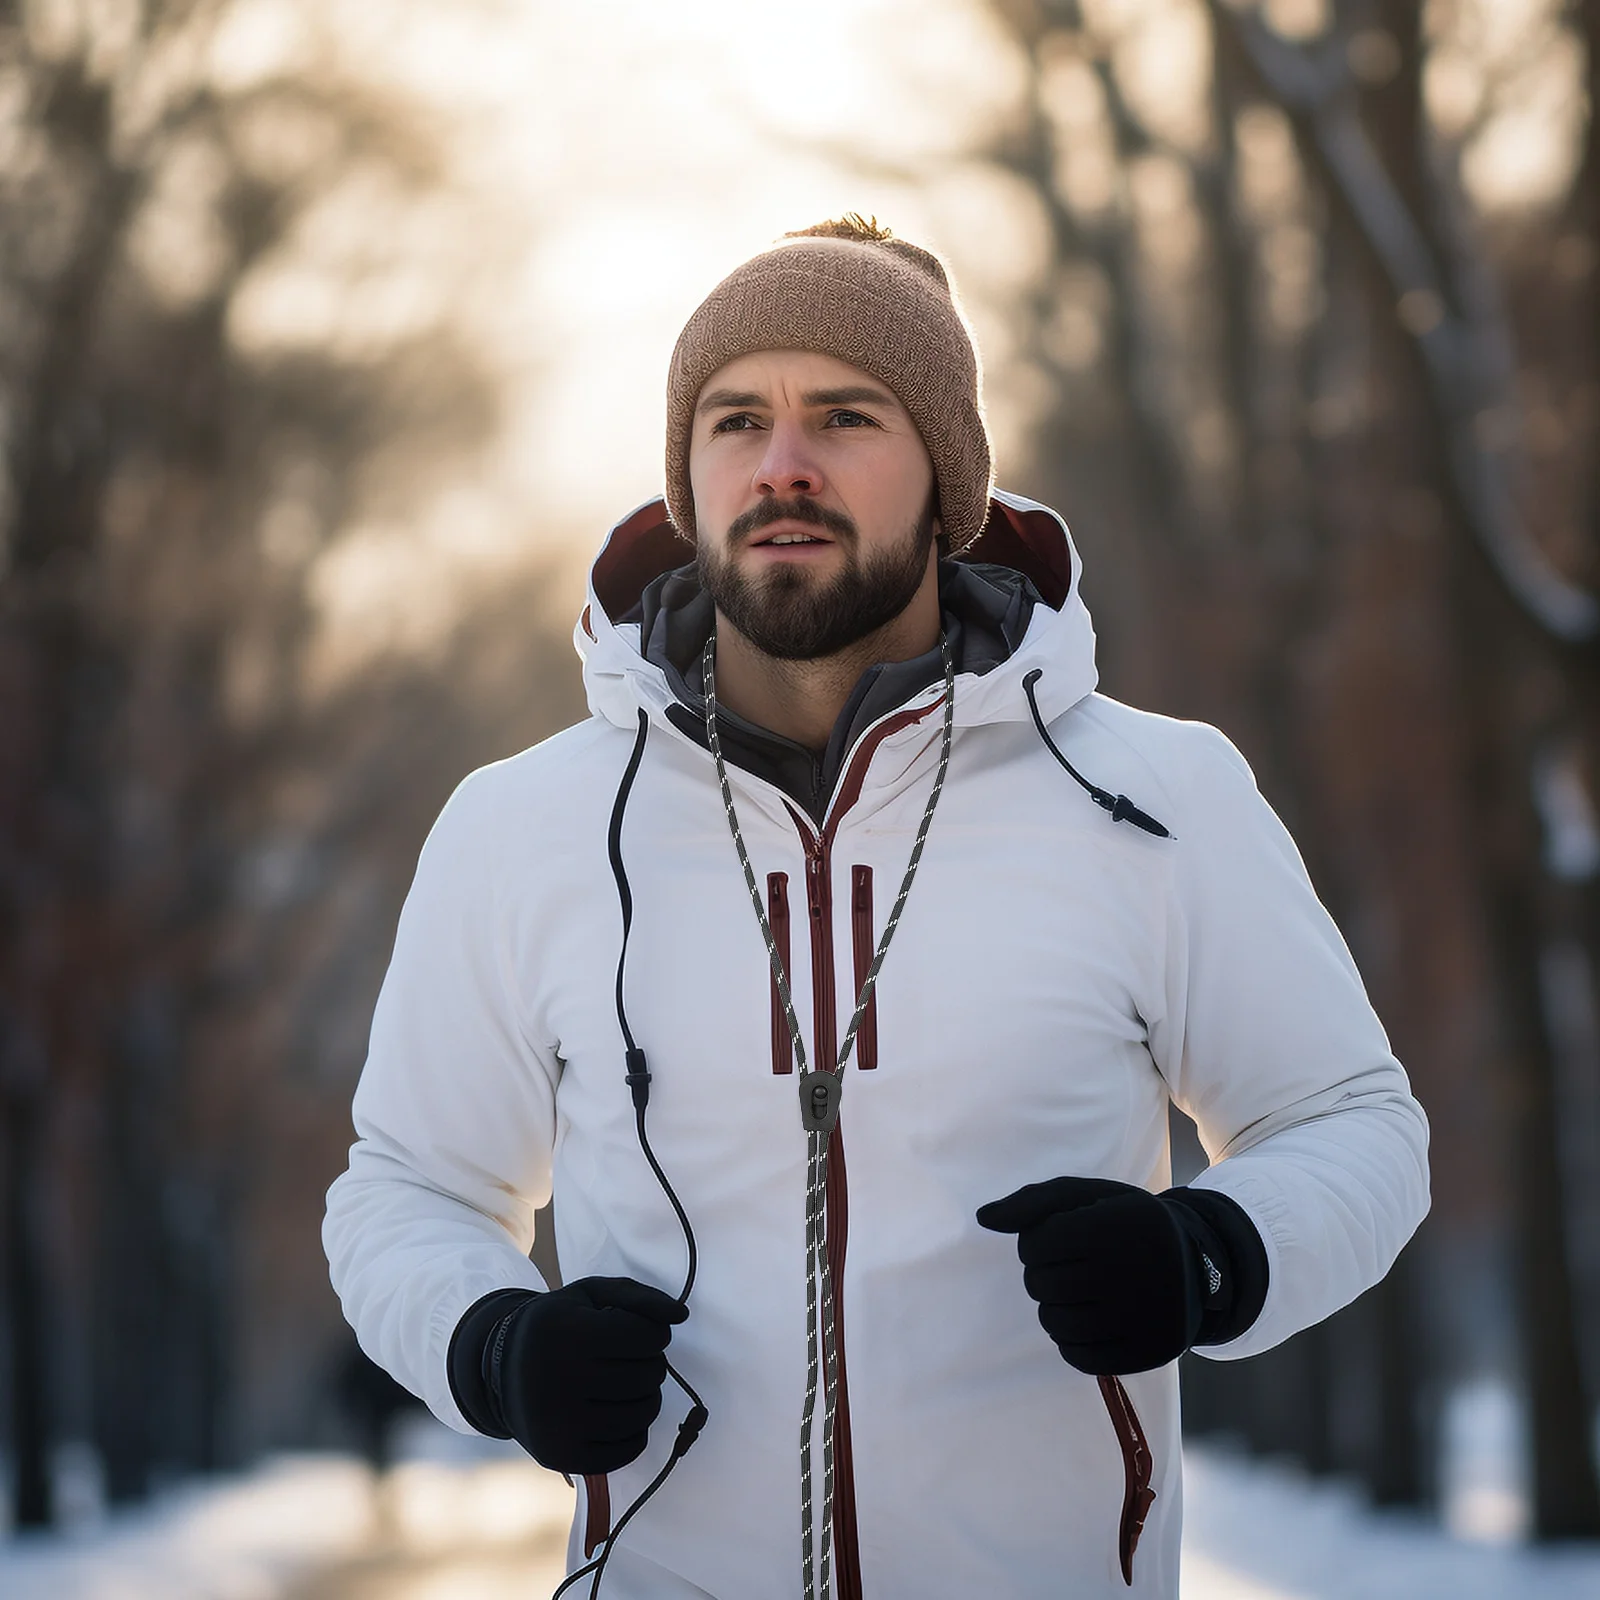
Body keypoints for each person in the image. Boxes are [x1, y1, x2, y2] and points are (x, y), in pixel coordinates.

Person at [323, 215, 1430, 1600]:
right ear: (688, 475)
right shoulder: (525, 826)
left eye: (845, 416)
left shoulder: (1152, 795)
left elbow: (1354, 1126)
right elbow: (405, 1192)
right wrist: (494, 1345)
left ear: (947, 477)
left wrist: (1212, 1256)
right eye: (736, 422)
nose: (783, 464)